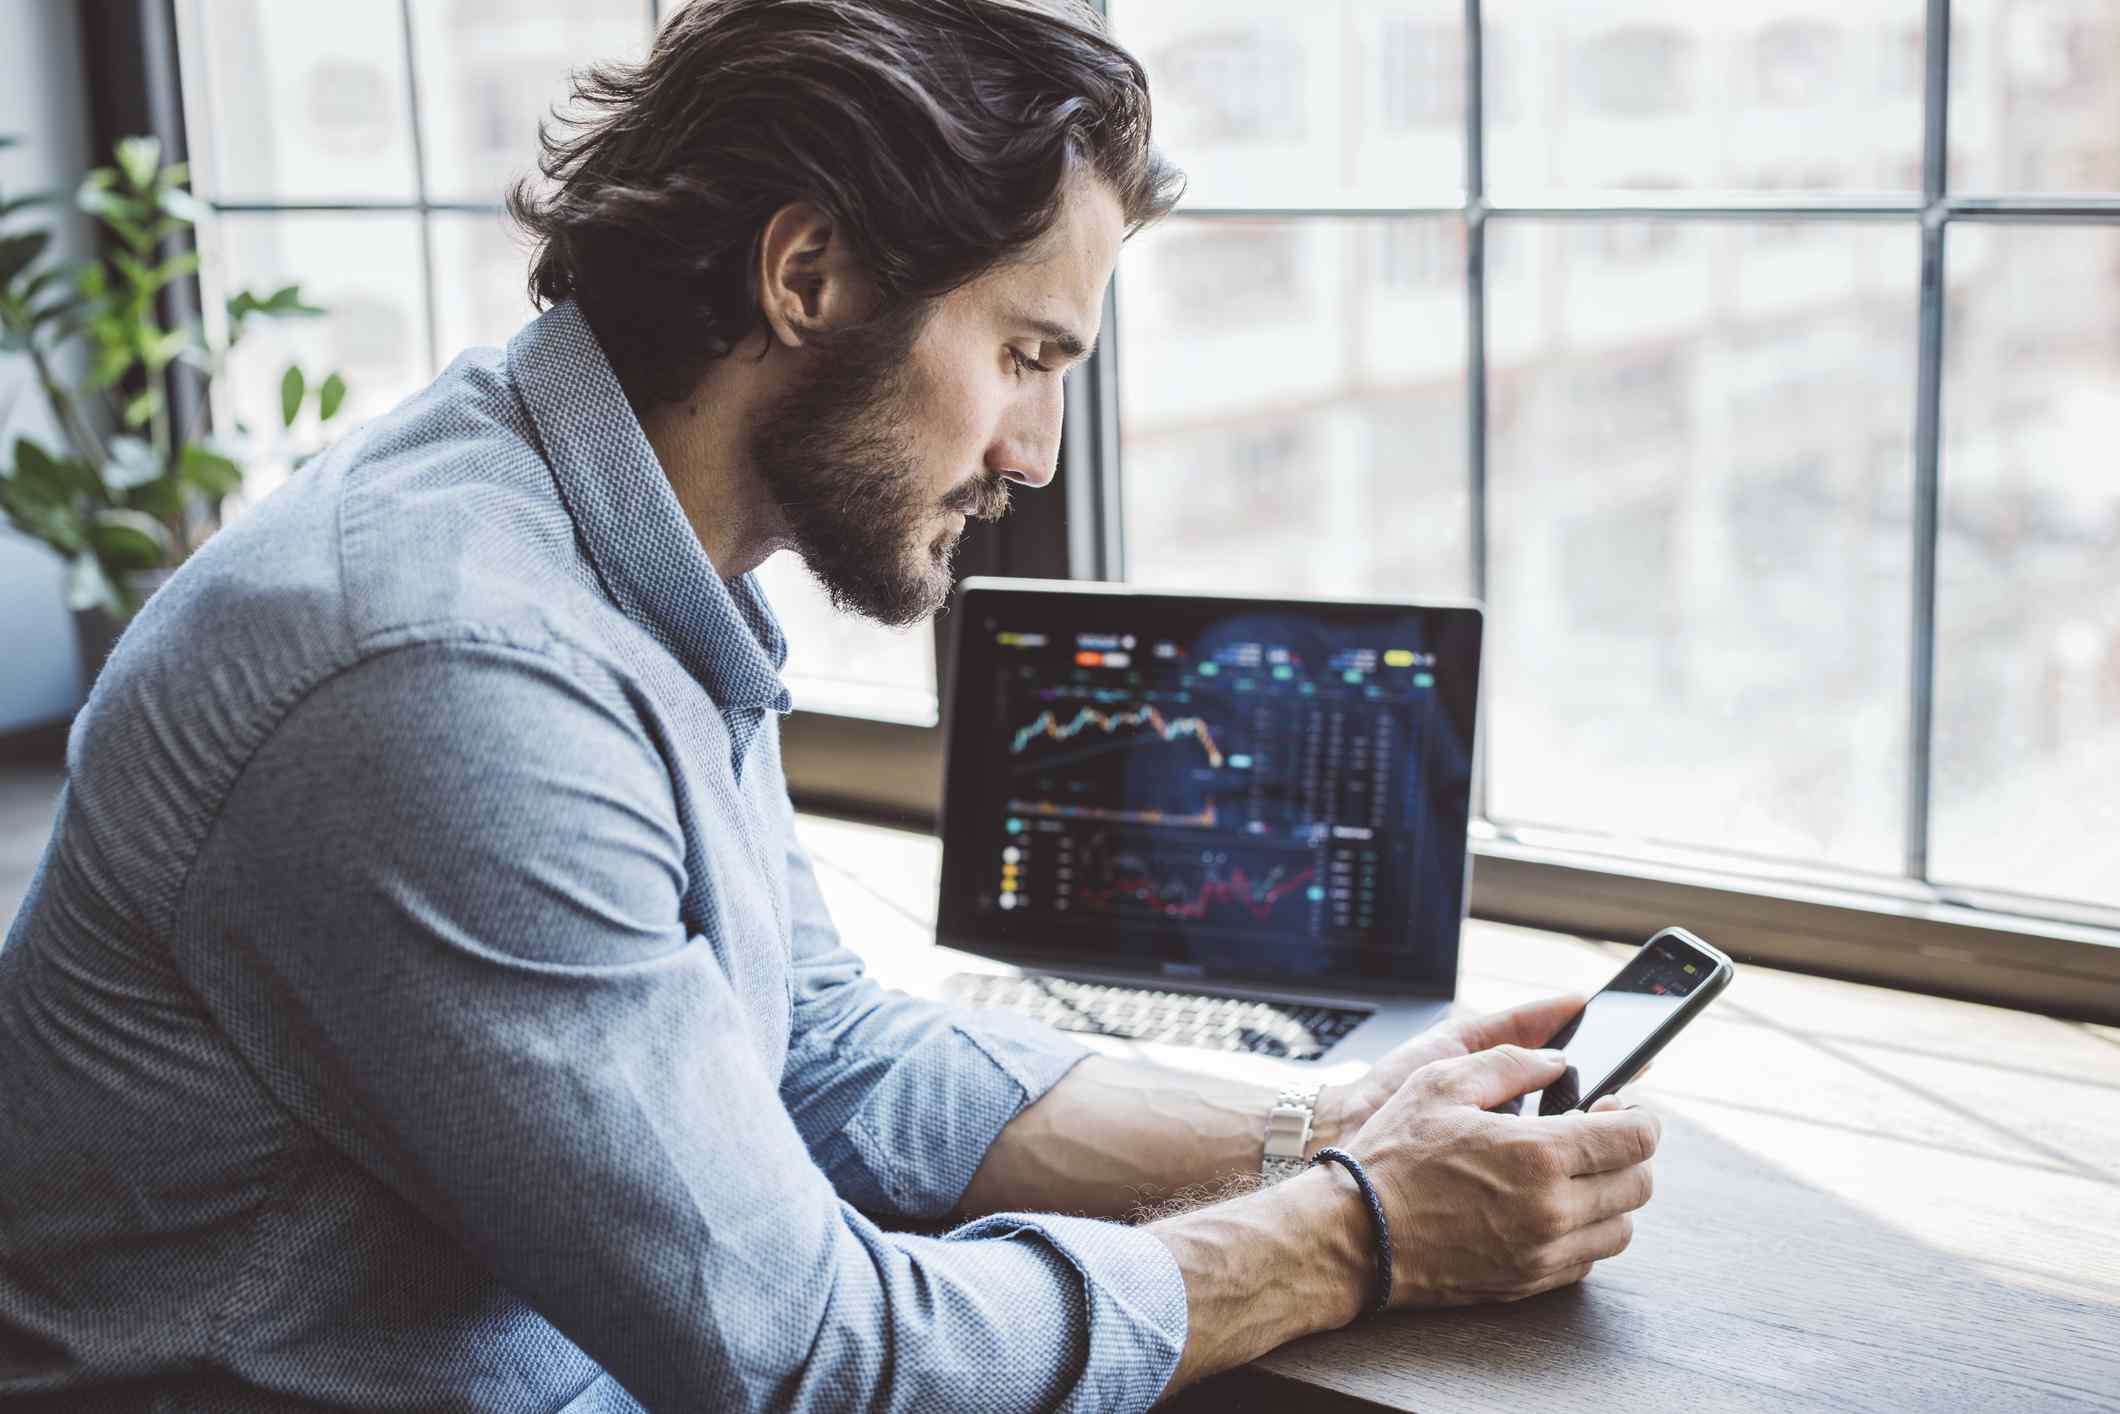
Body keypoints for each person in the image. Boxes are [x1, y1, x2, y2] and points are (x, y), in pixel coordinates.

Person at [0, 1, 1659, 1409]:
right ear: (808, 273)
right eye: (1023, 355)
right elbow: (809, 1359)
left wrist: (1325, 1122)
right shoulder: (452, 670)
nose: (1036, 456)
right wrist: (1357, 1231)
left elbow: (821, 1049)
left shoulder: (616, 547)